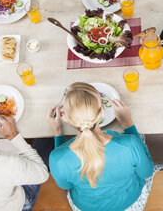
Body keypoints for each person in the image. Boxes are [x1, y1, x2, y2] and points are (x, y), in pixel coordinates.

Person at [47, 82, 156, 211]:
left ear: (65, 117)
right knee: (140, 142)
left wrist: (58, 133)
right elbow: (147, 172)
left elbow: (65, 186)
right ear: (102, 112)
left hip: (86, 207)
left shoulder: (57, 158)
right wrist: (128, 124)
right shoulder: (130, 144)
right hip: (129, 203)